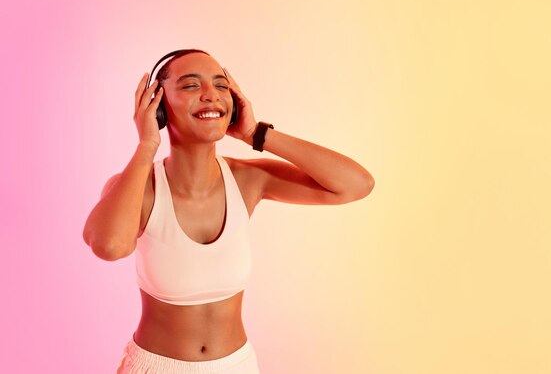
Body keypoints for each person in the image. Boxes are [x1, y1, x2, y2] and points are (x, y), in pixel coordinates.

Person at [82, 49, 375, 373]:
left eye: (221, 86)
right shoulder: (141, 186)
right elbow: (109, 246)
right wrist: (146, 145)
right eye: (191, 86)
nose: (211, 95)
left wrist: (258, 134)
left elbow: (355, 185)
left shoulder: (249, 179)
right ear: (159, 107)